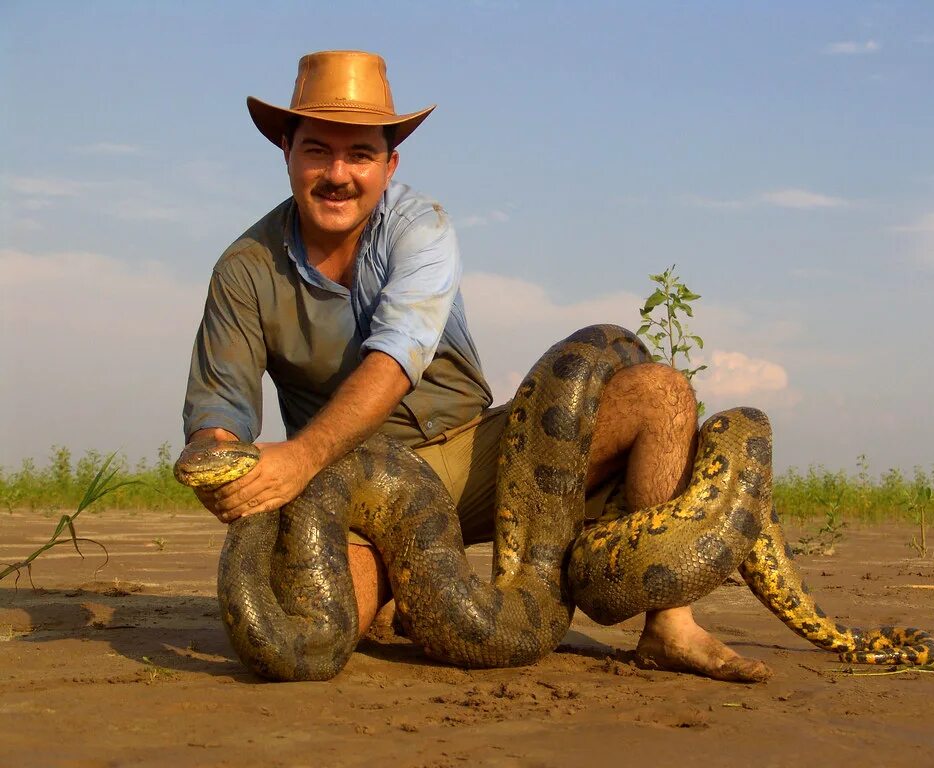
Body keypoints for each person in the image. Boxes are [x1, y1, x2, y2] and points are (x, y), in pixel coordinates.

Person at [183, 50, 770, 683]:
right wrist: (228, 472)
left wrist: (297, 458)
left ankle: (669, 626)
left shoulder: (420, 228)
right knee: (313, 638)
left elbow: (396, 359)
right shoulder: (244, 269)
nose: (338, 174)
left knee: (662, 392)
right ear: (286, 152)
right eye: (317, 150)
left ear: (389, 164)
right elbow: (220, 417)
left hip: (473, 457)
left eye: (360, 155)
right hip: (348, 481)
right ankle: (393, 589)